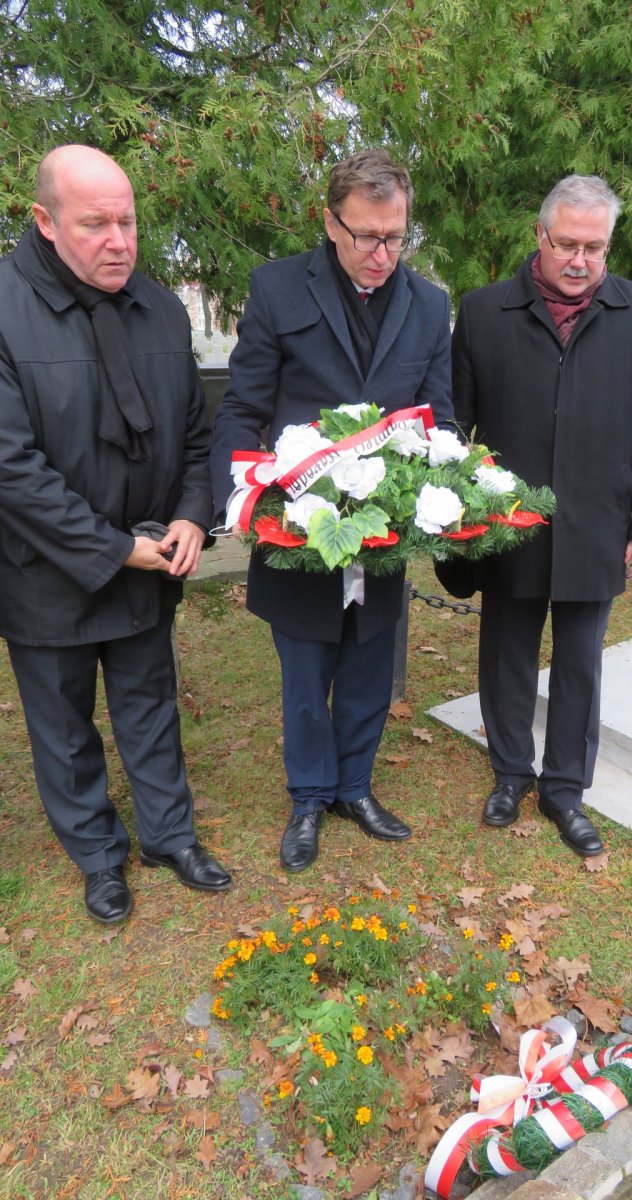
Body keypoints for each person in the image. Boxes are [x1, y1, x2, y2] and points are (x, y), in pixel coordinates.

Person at [0, 145, 232, 924]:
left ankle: (169, 837)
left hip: (148, 556)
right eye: (95, 224)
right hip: (44, 570)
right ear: (44, 221)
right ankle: (99, 856)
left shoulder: (159, 308)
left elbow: (197, 436)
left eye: (128, 222)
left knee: (149, 703)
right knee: (63, 727)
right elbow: (10, 468)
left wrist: (193, 514)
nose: (119, 241)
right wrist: (111, 547)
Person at [211, 149, 453, 873]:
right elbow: (243, 408)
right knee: (305, 674)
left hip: (385, 533)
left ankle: (355, 787)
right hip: (298, 528)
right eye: (365, 236)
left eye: (395, 237)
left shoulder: (429, 305)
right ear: (329, 222)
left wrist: (438, 490)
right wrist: (241, 497)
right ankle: (310, 796)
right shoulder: (278, 288)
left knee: (371, 665)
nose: (382, 254)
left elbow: (439, 419)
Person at [450, 175, 632, 856]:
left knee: (580, 659)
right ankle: (510, 772)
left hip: (597, 522)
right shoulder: (484, 311)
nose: (580, 260)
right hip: (507, 521)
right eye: (567, 245)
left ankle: (565, 789)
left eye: (595, 248)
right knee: (507, 652)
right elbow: (452, 428)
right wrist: (456, 512)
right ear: (540, 236)